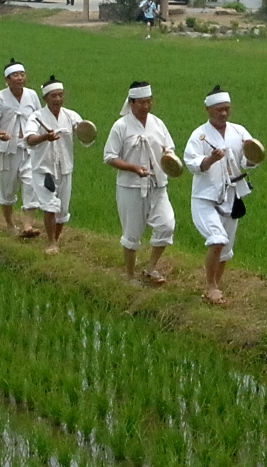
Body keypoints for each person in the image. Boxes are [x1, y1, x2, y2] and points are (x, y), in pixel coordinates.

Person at [184, 86, 257, 303]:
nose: (223, 113)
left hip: (232, 196)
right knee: (217, 239)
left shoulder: (239, 131)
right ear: (208, 109)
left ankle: (216, 287)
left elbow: (249, 157)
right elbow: (193, 164)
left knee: (226, 248)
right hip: (205, 197)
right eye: (218, 109)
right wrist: (211, 159)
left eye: (226, 109)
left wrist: (253, 158)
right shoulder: (199, 135)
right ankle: (210, 285)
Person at [103, 81, 177, 283]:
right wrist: (134, 168)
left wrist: (168, 156)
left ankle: (151, 267)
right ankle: (129, 276)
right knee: (132, 233)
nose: (146, 106)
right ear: (132, 102)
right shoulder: (121, 126)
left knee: (167, 224)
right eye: (142, 102)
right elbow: (110, 156)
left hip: (157, 185)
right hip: (131, 187)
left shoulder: (157, 123)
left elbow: (168, 147)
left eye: (149, 101)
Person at [27, 78, 87, 254]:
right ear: (46, 98)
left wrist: (86, 131)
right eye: (53, 96)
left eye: (60, 95)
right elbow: (30, 139)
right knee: (51, 205)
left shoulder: (71, 116)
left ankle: (56, 240)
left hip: (65, 168)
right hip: (44, 169)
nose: (58, 99)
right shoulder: (36, 117)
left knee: (63, 211)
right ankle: (51, 242)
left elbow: (84, 133)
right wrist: (45, 137)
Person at [0, 60, 41, 236]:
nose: (19, 79)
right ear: (7, 79)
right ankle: (9, 224)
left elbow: (39, 117)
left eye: (22, 75)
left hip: (29, 149)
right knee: (7, 190)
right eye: (15, 76)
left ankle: (27, 226)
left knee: (31, 184)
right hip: (8, 150)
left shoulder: (31, 95)